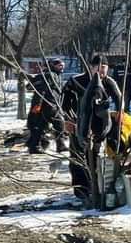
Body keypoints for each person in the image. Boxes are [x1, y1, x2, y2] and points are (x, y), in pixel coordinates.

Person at [62, 54, 123, 203]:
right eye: (98, 68)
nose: (101, 72)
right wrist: (67, 119)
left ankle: (94, 187)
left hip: (98, 126)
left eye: (104, 68)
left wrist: (120, 114)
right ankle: (81, 190)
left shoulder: (109, 83)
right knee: (77, 156)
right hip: (78, 124)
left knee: (94, 157)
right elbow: (64, 102)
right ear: (91, 67)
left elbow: (120, 100)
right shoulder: (77, 81)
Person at [26, 58, 66, 154]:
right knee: (41, 126)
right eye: (58, 65)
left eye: (62, 64)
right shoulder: (48, 75)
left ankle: (60, 145)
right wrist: (38, 105)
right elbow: (40, 90)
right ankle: (34, 147)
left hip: (53, 104)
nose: (61, 66)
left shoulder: (56, 75)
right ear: (52, 65)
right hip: (46, 105)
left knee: (48, 125)